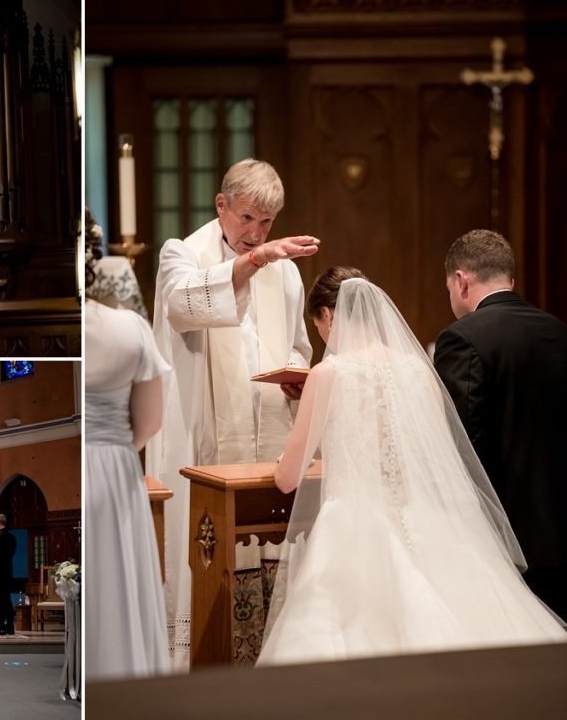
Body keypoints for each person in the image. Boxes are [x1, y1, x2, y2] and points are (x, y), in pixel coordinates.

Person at [257, 268, 565, 666]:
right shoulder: (419, 371)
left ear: (329, 315)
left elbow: (286, 479)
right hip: (427, 522)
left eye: (317, 325)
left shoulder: (328, 373)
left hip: (353, 525)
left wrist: (290, 455)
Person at [146, 158, 319, 666]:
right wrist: (254, 260)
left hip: (268, 439)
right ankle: (197, 656)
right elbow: (184, 305)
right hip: (204, 439)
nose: (256, 233)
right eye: (247, 218)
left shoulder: (283, 270)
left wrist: (294, 378)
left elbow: (296, 346)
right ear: (221, 206)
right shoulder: (182, 253)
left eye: (266, 223)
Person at [434, 230, 567, 617]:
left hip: (508, 535)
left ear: (461, 281)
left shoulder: (461, 338)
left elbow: (461, 440)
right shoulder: (558, 331)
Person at [84, 226, 171, 679]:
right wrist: (112, 448)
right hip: (114, 468)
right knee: (120, 591)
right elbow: (150, 424)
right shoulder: (130, 328)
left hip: (92, 460)